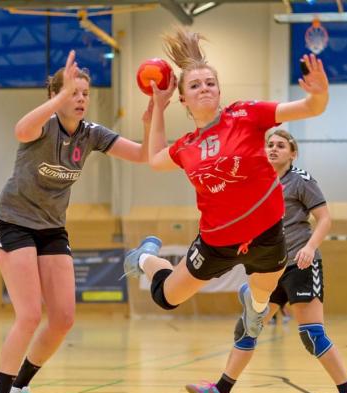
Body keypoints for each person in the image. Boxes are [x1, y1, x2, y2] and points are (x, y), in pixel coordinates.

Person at [0, 50, 150, 393]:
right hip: (14, 222)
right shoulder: (43, 126)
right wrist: (57, 98)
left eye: (84, 92)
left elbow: (142, 154)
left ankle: (20, 389)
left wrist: (153, 111)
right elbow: (21, 129)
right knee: (28, 314)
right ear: (55, 94)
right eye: (73, 91)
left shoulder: (91, 134)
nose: (81, 97)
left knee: (64, 318)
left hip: (52, 228)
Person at [122, 28, 329, 353]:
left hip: (266, 236)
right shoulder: (187, 146)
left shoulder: (246, 114)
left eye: (209, 83)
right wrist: (158, 109)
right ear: (183, 99)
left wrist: (319, 93)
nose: (204, 88)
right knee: (166, 298)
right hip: (215, 242)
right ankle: (146, 256)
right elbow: (155, 158)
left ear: (219, 90)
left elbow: (311, 108)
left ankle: (254, 304)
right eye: (194, 85)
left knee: (262, 300)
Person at [183, 129, 347, 393]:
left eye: (281, 145)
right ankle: (222, 391)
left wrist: (310, 247)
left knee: (312, 334)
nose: (273, 149)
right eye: (269, 144)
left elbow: (325, 218)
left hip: (301, 265)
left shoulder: (301, 181)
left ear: (292, 153)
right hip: (270, 268)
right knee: (247, 328)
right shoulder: (256, 181)